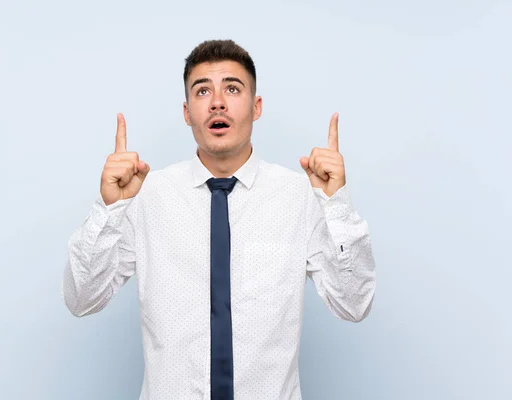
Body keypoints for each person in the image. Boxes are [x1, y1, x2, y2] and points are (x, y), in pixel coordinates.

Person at [63, 39, 376, 400]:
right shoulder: (145, 195)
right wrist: (109, 209)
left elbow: (354, 304)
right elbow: (81, 299)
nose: (217, 101)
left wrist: (336, 205)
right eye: (202, 90)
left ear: (256, 107)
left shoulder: (299, 195)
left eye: (232, 88)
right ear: (187, 112)